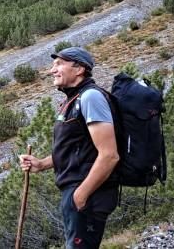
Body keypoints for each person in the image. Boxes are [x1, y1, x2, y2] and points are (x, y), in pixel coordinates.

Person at [19, 47, 119, 249]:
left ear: (79, 68)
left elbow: (109, 155)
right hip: (77, 192)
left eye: (59, 64)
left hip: (88, 193)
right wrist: (42, 164)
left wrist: (80, 195)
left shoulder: (90, 97)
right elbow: (77, 149)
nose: (52, 70)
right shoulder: (71, 101)